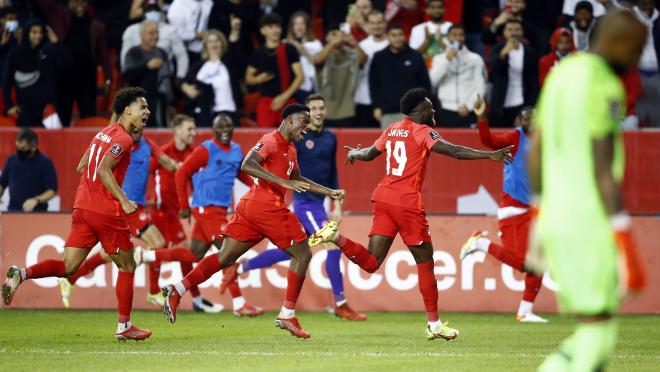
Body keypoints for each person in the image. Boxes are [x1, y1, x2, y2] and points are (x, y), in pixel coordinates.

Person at [309, 88, 513, 341]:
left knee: (372, 262)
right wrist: (488, 155)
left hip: (383, 197)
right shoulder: (422, 131)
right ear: (419, 110)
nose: (434, 109)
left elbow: (370, 153)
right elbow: (453, 151)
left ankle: (336, 237)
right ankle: (434, 325)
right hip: (406, 202)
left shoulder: (393, 128)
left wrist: (354, 153)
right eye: (429, 106)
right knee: (426, 262)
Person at [162, 104, 345, 339]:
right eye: (304, 122)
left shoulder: (291, 150)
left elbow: (298, 180)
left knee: (225, 257)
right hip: (267, 206)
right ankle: (287, 314)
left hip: (252, 209)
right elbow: (247, 164)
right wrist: (283, 183)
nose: (307, 128)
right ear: (290, 120)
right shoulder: (270, 140)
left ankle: (178, 289)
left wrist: (328, 191)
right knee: (303, 254)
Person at [529, 10, 647, 370]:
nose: (636, 59)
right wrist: (624, 241)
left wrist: (538, 218)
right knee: (598, 333)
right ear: (619, 43)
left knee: (593, 330)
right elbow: (602, 171)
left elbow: (536, 150)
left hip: (557, 219)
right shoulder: (605, 86)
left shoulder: (562, 74)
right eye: (636, 50)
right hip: (589, 221)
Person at [2, 87, 153, 341]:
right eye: (143, 107)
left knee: (69, 267)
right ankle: (124, 326)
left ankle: (22, 273)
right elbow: (105, 170)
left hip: (82, 208)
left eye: (148, 108)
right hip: (105, 211)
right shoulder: (124, 139)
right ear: (127, 110)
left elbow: (81, 165)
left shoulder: (103, 133)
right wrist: (123, 200)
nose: (146, 112)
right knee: (128, 265)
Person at [222, 94, 367, 321]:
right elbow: (289, 172)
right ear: (301, 116)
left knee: (291, 251)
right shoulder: (295, 141)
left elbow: (331, 172)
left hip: (319, 203)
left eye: (321, 108)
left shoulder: (330, 138)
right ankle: (340, 304)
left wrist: (335, 199)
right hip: (305, 202)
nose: (318, 112)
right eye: (313, 109)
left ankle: (239, 268)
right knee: (331, 245)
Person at [152, 113, 263, 317]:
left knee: (195, 253)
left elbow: (238, 173)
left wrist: (257, 185)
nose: (224, 130)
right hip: (206, 208)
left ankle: (147, 256)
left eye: (228, 126)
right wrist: (184, 206)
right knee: (229, 253)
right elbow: (181, 172)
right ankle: (239, 304)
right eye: (220, 127)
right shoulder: (206, 149)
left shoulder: (237, 150)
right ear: (213, 131)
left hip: (219, 209)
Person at [57, 126, 179, 308]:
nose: (137, 131)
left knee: (108, 255)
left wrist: (185, 166)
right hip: (123, 205)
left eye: (141, 128)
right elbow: (95, 167)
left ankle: (71, 278)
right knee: (157, 242)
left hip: (136, 207)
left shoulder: (148, 145)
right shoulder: (120, 144)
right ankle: (153, 292)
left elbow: (168, 163)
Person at [460, 100, 546, 323]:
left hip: (533, 210)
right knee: (523, 263)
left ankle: (525, 312)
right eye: (526, 117)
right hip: (513, 209)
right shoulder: (515, 138)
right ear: (518, 121)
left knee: (539, 261)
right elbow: (488, 141)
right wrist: (481, 117)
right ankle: (480, 243)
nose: (531, 121)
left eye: (534, 117)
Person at [37, 0, 112, 127]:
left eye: (83, 2)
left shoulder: (97, 26)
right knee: (62, 117)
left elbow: (103, 55)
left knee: (89, 118)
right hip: (63, 78)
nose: (80, 5)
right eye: (76, 1)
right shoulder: (59, 15)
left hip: (87, 79)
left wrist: (108, 77)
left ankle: (89, 146)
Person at [246, 13, 303, 127]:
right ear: (263, 31)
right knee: (267, 138)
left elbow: (300, 77)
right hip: (267, 102)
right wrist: (258, 79)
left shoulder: (289, 49)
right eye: (271, 27)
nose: (275, 30)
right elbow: (248, 78)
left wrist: (283, 97)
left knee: (290, 139)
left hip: (288, 100)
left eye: (277, 27)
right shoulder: (258, 52)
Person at [2, 20, 63, 127]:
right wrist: (9, 105)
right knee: (27, 142)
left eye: (40, 32)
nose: (38, 35)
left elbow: (66, 66)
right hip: (24, 110)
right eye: (34, 32)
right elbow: (6, 82)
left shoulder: (49, 52)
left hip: (47, 110)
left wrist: (57, 44)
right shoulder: (15, 54)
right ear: (27, 33)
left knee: (50, 143)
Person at [369, 23, 431, 128]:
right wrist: (376, 107)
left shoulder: (415, 56)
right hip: (388, 112)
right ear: (387, 37)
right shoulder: (379, 57)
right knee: (390, 144)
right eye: (394, 35)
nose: (397, 38)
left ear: (404, 36)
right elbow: (373, 84)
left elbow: (425, 83)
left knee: (413, 144)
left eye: (400, 35)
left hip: (412, 113)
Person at [181, 29, 242, 127]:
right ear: (206, 45)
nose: (214, 44)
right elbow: (184, 82)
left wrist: (235, 32)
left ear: (222, 43)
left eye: (217, 41)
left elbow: (234, 49)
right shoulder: (198, 65)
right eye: (210, 42)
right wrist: (186, 88)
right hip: (204, 114)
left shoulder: (229, 62)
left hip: (228, 111)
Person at [429, 24, 487, 127]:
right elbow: (432, 81)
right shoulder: (439, 58)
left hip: (468, 110)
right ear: (448, 37)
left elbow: (480, 85)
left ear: (464, 37)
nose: (458, 38)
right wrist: (447, 60)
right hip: (446, 110)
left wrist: (469, 105)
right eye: (454, 35)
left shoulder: (475, 58)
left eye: (461, 35)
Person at [120, 0, 189, 83]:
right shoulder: (131, 31)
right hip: (138, 77)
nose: (152, 13)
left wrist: (180, 77)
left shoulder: (170, 30)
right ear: (143, 12)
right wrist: (126, 76)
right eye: (149, 10)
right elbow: (125, 57)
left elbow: (181, 55)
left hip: (164, 76)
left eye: (155, 10)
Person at [122, 20, 174, 128]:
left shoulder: (162, 52)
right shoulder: (134, 52)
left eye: (157, 33)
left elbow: (168, 77)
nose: (155, 36)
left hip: (161, 103)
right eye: (151, 33)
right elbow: (127, 75)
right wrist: (147, 67)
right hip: (139, 105)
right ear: (142, 35)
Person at [489, 19, 539, 127]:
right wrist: (504, 53)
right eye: (510, 29)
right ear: (504, 33)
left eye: (517, 29)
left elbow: (534, 82)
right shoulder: (497, 49)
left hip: (521, 102)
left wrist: (530, 106)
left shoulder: (530, 52)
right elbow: (493, 70)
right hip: (500, 104)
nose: (513, 33)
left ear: (522, 32)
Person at [0, 128, 57, 212]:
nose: (19, 151)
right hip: (13, 212)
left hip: (37, 214)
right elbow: (2, 183)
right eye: (17, 147)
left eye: (23, 148)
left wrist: (36, 200)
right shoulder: (11, 160)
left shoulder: (45, 162)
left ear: (33, 147)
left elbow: (52, 190)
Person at [314, 24, 360, 128]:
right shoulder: (323, 53)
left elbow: (363, 59)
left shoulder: (350, 54)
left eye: (340, 34)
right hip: (326, 110)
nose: (338, 37)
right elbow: (317, 60)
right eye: (334, 34)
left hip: (346, 109)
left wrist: (354, 43)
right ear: (326, 37)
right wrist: (332, 43)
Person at [354, 10, 389, 128]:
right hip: (364, 99)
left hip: (387, 101)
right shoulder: (362, 45)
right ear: (368, 25)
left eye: (379, 22)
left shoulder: (391, 44)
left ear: (385, 23)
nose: (376, 26)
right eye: (373, 23)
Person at [286, 11, 323, 103]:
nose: (299, 27)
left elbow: (319, 62)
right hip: (291, 86)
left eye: (302, 23)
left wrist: (303, 51)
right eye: (296, 24)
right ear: (292, 27)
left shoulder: (315, 44)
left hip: (310, 86)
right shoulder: (285, 44)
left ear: (307, 26)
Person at [408, 0, 452, 68]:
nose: (436, 10)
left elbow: (457, 52)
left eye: (439, 7)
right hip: (424, 70)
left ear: (444, 9)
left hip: (448, 69)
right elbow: (413, 56)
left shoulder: (452, 28)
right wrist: (427, 41)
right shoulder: (417, 29)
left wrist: (440, 42)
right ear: (427, 10)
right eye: (433, 7)